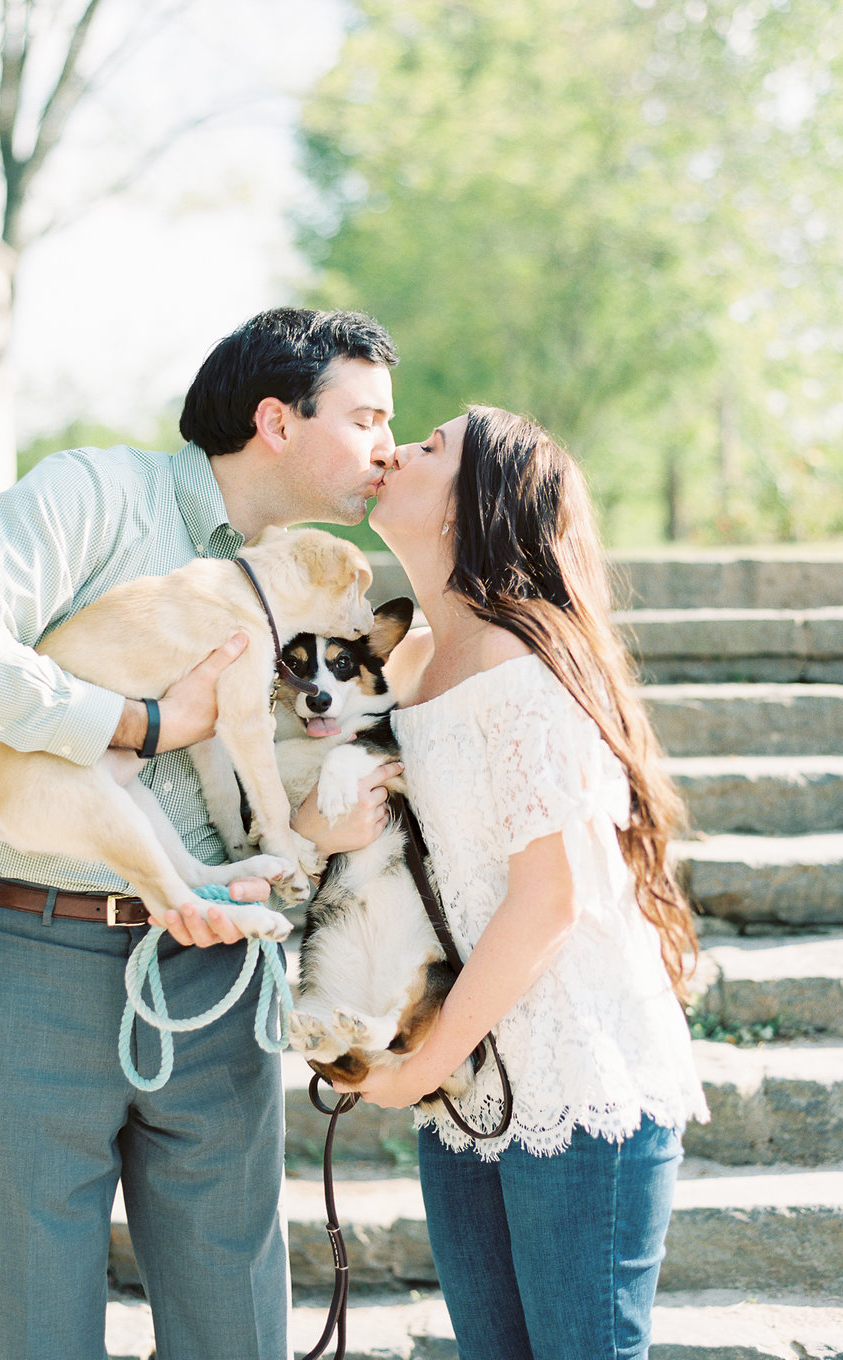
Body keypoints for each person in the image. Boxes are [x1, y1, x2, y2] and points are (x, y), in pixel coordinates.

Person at [0, 306, 402, 1360]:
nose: (388, 447)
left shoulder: (304, 594)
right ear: (276, 421)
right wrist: (140, 723)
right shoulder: (91, 496)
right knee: (44, 1338)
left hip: (215, 978)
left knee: (236, 1337)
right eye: (368, 418)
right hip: (33, 956)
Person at [341, 406, 709, 1359]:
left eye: (430, 447)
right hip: (469, 1086)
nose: (395, 450)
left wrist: (419, 1067)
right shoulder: (413, 660)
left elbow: (550, 898)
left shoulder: (521, 664)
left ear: (473, 505)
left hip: (578, 1078)